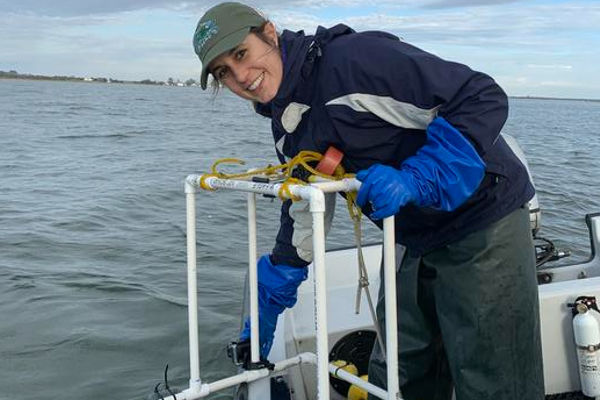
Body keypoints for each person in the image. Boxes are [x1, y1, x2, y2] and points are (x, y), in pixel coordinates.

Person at [192, 2, 544, 399]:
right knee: (398, 372)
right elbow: (308, 199)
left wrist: (418, 177)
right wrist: (277, 283)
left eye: (241, 54)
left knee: (492, 379)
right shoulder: (288, 125)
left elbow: (480, 96)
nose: (241, 76)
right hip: (410, 236)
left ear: (270, 34)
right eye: (224, 71)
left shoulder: (352, 61)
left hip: (483, 217)